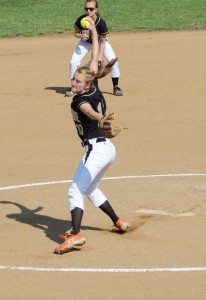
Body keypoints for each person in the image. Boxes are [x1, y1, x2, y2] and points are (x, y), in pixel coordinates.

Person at [54, 17, 130, 255]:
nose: (72, 82)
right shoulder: (93, 81)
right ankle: (118, 221)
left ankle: (76, 235)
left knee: (75, 189)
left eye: (76, 81)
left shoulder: (81, 101)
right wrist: (95, 32)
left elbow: (90, 111)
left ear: (85, 85)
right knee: (91, 188)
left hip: (96, 150)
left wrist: (102, 119)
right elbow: (96, 53)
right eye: (73, 79)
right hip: (107, 149)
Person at [65, 0, 123, 98]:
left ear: (96, 10)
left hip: (100, 42)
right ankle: (73, 87)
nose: (88, 11)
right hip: (86, 42)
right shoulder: (81, 19)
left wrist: (99, 59)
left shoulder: (101, 23)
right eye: (86, 9)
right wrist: (81, 36)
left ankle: (116, 86)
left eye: (91, 9)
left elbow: (103, 42)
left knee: (113, 61)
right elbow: (76, 33)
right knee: (73, 62)